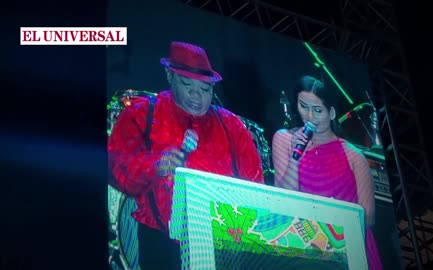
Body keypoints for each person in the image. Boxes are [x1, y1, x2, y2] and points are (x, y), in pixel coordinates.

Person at [108, 41, 264, 270]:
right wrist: (155, 165)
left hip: (223, 244)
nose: (197, 97)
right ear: (169, 76)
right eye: (187, 85)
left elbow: (255, 186)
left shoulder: (232, 125)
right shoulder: (142, 113)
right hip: (161, 241)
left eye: (205, 90)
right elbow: (116, 168)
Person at [272, 75, 383, 270]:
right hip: (304, 248)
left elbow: (368, 217)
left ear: (331, 113)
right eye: (303, 106)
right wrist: (295, 158)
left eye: (318, 110)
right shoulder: (284, 139)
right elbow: (284, 202)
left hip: (348, 249)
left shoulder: (353, 155)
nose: (310, 116)